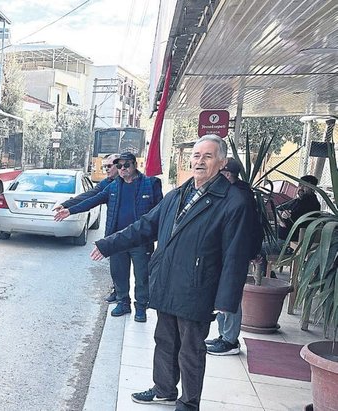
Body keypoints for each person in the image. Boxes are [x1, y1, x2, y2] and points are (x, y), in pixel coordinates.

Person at [89, 135, 257, 409]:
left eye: (208, 156)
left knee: (191, 350)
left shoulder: (234, 201)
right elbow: (145, 226)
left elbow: (236, 255)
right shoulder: (179, 194)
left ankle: (189, 403)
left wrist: (226, 301)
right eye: (196, 155)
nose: (199, 161)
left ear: (222, 162)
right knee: (164, 341)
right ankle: (164, 389)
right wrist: (107, 244)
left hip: (198, 286)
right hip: (167, 281)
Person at [54, 152, 162, 322]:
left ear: (135, 165)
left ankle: (140, 307)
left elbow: (160, 212)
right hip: (116, 241)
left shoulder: (150, 184)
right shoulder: (113, 186)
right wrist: (69, 210)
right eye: (119, 166)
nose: (122, 169)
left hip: (141, 240)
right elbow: (92, 199)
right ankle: (123, 302)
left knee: (142, 276)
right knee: (119, 274)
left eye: (126, 165)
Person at [204, 157, 262, 356]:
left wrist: (252, 252)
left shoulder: (240, 197)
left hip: (235, 254)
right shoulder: (233, 193)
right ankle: (223, 335)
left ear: (227, 175)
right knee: (222, 293)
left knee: (230, 295)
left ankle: (230, 340)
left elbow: (251, 229)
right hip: (227, 253)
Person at [54, 153, 121, 303]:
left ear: (119, 165)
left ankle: (141, 306)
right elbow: (90, 197)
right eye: (105, 167)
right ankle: (119, 294)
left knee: (140, 270)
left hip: (135, 233)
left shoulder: (135, 182)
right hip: (114, 232)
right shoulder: (107, 184)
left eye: (109, 166)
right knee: (117, 265)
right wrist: (67, 205)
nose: (106, 170)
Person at [276, 174, 320, 240]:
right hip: (281, 237)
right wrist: (281, 219)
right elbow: (278, 209)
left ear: (313, 188)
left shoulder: (312, 204)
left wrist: (283, 217)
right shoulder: (298, 200)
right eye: (300, 185)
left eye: (305, 186)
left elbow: (295, 221)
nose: (301, 188)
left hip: (291, 242)